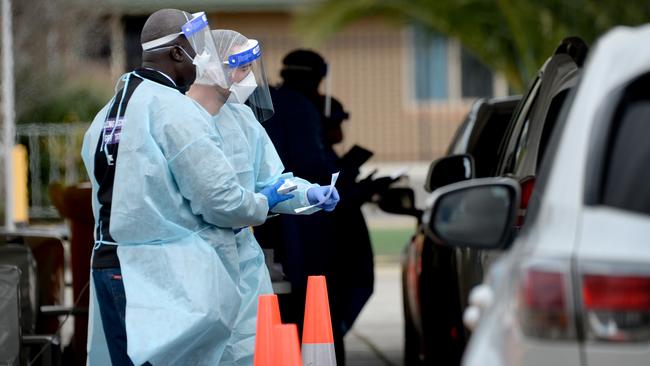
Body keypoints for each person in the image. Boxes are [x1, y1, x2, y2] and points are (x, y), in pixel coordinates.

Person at [81, 10, 296, 365]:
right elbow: (220, 201)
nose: (204, 63)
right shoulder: (174, 111)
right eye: (200, 52)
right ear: (179, 53)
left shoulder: (107, 114)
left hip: (109, 267)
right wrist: (261, 202)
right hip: (161, 278)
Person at [186, 29, 340, 366]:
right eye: (241, 67)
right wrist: (259, 201)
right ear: (213, 66)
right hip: (194, 261)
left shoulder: (242, 119)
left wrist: (308, 194)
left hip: (243, 261)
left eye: (250, 67)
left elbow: (274, 180)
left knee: (252, 351)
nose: (248, 77)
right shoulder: (180, 120)